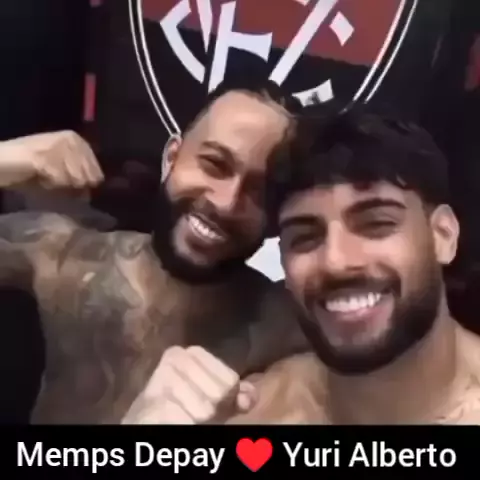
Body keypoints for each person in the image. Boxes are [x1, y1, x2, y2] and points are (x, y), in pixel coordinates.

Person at [0, 79, 308, 424]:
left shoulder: (285, 328)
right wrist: (5, 159)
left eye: (259, 191)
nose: (226, 203)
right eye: (214, 164)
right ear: (172, 158)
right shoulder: (63, 255)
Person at [222, 108, 480, 425]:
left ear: (443, 235)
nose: (336, 262)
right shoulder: (255, 413)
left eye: (376, 224)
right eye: (304, 237)